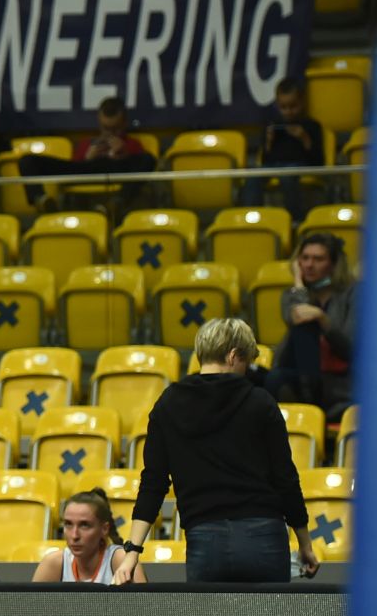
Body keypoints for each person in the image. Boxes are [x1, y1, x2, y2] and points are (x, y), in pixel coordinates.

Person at [113, 318, 319, 585]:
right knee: (268, 615)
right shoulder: (260, 402)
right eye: (246, 362)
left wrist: (132, 552)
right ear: (233, 356)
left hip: (205, 540)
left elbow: (153, 483)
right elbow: (285, 479)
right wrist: (305, 544)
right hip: (263, 537)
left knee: (210, 615)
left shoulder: (168, 404)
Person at [264, 231, 358, 417]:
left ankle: (311, 402)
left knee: (309, 321)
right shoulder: (292, 294)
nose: (309, 265)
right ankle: (309, 400)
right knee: (271, 377)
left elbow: (350, 348)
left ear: (334, 264)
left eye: (318, 259)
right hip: (300, 377)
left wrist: (324, 320)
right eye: (304, 258)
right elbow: (296, 316)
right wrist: (299, 283)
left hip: (338, 381)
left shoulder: (353, 293)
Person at [16, 96, 157, 211]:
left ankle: (117, 203)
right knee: (27, 160)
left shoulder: (133, 144)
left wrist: (124, 155)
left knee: (148, 159)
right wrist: (87, 158)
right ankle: (41, 200)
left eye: (116, 129)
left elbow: (142, 167)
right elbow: (75, 167)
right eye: (106, 129)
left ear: (124, 123)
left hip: (119, 169)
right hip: (87, 169)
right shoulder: (86, 144)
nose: (110, 134)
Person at [239, 77, 326, 221]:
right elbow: (265, 159)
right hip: (273, 166)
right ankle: (253, 219)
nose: (288, 112)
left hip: (298, 165)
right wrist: (268, 142)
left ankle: (294, 220)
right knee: (253, 177)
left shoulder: (311, 126)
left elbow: (319, 161)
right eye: (283, 107)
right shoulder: (272, 125)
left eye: (293, 106)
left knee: (287, 177)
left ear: (302, 102)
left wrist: (304, 138)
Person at [31, 490, 147, 584]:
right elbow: (31, 606)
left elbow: (145, 604)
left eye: (84, 525)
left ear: (104, 529)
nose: (74, 535)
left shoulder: (122, 560)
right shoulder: (54, 563)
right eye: (68, 524)